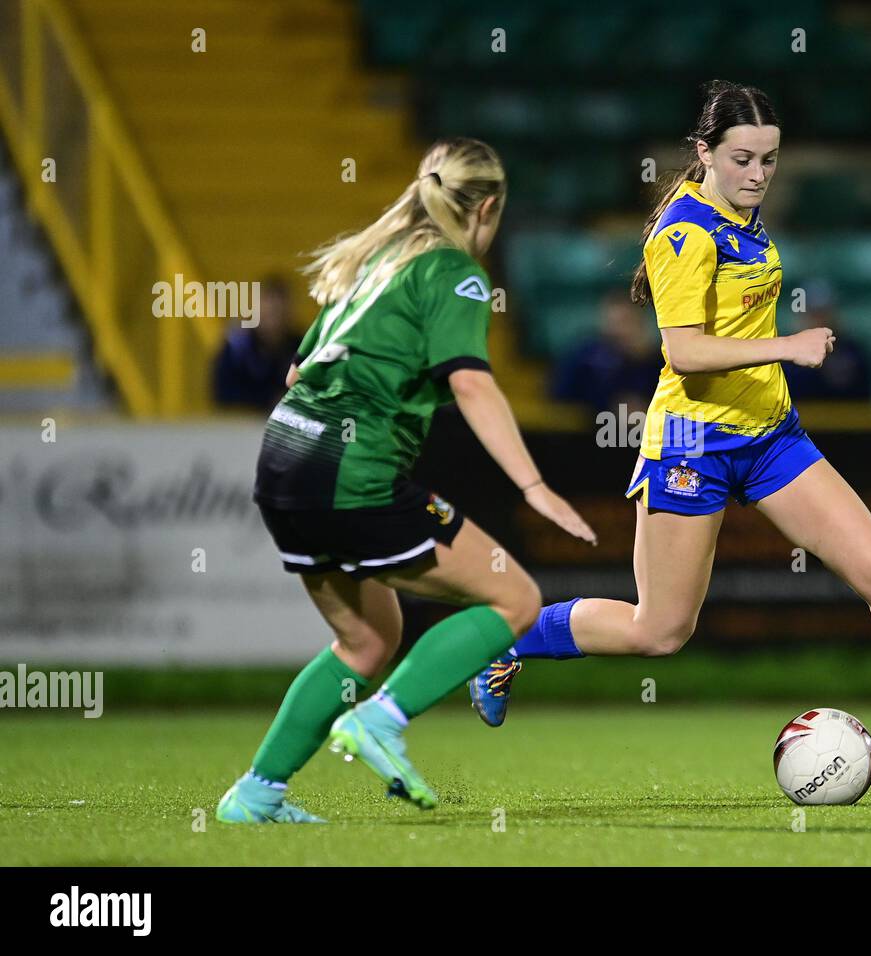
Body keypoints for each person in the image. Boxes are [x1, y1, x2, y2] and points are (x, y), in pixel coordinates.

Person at [469, 81, 871, 772]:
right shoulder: (684, 232)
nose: (757, 175)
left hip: (771, 435)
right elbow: (683, 349)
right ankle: (506, 640)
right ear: (705, 152)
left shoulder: (743, 219)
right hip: (692, 445)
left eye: (769, 160)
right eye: (742, 159)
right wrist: (786, 346)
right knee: (660, 630)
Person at [216, 137, 596, 824]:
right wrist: (535, 487)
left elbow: (297, 375)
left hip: (283, 456)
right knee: (515, 597)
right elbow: (473, 384)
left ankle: (256, 795)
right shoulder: (454, 272)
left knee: (366, 641)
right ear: (486, 208)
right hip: (346, 468)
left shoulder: (379, 262)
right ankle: (381, 721)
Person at [550, 288, 661, 415]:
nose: (619, 330)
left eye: (626, 321)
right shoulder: (586, 357)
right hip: (591, 429)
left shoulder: (654, 361)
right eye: (614, 322)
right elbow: (560, 395)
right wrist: (610, 405)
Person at [211, 275, 299, 412]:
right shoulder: (237, 347)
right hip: (240, 426)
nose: (272, 320)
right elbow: (223, 394)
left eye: (277, 313)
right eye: (268, 313)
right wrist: (267, 400)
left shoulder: (300, 348)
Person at [782, 279, 871, 400]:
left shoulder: (854, 355)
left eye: (823, 312)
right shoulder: (785, 356)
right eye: (812, 313)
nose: (819, 319)